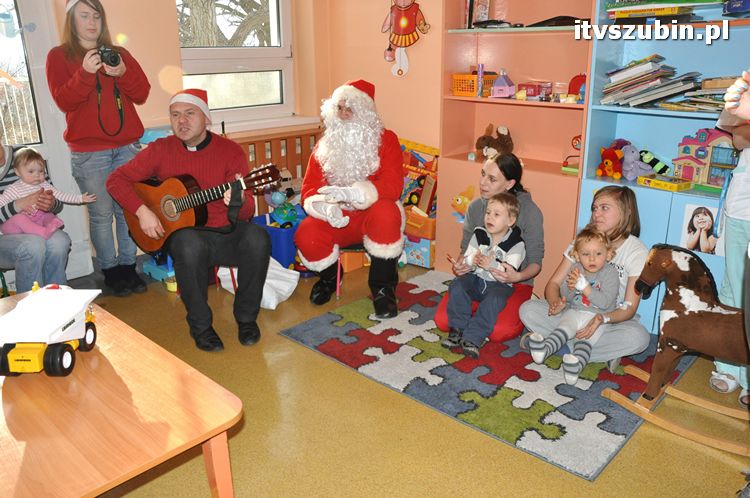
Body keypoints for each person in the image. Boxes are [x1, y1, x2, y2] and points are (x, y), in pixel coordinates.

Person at [106, 89, 271, 352]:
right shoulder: (161, 149)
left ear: (206, 118)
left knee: (258, 238)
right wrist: (142, 211)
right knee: (187, 243)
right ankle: (201, 326)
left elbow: (246, 213)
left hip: (225, 231)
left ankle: (246, 318)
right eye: (175, 115)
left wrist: (238, 200)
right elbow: (116, 180)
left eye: (190, 113)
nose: (181, 121)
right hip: (186, 236)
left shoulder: (230, 151)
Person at [46, 0, 150, 297]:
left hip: (127, 147)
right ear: (72, 20)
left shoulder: (119, 54)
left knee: (127, 210)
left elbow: (141, 93)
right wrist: (85, 72)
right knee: (102, 214)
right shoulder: (59, 56)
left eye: (96, 16)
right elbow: (64, 101)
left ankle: (129, 266)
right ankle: (111, 271)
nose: (92, 22)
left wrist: (122, 73)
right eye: (84, 16)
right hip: (90, 153)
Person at [294, 79, 404, 319]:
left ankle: (383, 288)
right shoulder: (325, 145)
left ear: (364, 112)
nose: (343, 114)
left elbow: (393, 185)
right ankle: (330, 277)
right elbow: (309, 188)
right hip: (336, 217)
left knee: (388, 214)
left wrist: (356, 193)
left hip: (371, 215)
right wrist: (325, 208)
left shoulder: (386, 140)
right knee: (306, 234)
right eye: (339, 108)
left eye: (350, 109)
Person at [520, 185, 651, 371]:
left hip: (610, 319)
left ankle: (557, 345)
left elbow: (628, 309)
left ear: (626, 211)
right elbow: (554, 284)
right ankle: (586, 352)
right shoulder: (582, 241)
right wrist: (556, 303)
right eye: (594, 208)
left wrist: (602, 319)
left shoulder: (636, 251)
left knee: (639, 338)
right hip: (573, 312)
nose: (597, 213)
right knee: (528, 309)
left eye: (604, 208)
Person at [434, 153, 544, 341]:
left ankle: (493, 311)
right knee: (444, 322)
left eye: (492, 179)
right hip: (476, 278)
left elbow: (535, 263)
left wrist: (516, 276)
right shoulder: (475, 207)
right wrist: (462, 266)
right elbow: (465, 250)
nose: (483, 182)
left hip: (511, 284)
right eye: (483, 174)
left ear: (509, 184)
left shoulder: (530, 212)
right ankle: (476, 313)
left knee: (498, 332)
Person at [528, 227, 619, 385]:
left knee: (584, 341)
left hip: (597, 318)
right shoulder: (576, 269)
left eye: (598, 254)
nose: (592, 259)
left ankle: (575, 366)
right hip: (575, 311)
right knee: (563, 328)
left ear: (608, 254)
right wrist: (568, 292)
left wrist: (586, 288)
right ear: (577, 255)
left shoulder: (610, 272)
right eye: (586, 254)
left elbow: (605, 303)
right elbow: (568, 297)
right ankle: (544, 350)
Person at [442, 192, 525, 358]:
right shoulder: (479, 234)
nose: (490, 217)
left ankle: (473, 338)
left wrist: (491, 265)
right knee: (457, 284)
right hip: (476, 278)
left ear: (510, 220)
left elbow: (508, 273)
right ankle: (457, 329)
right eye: (488, 213)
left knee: (495, 299)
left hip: (499, 285)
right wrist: (467, 263)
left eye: (496, 214)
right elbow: (468, 258)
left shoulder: (517, 244)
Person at [710, 69, 750, 408]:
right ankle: (728, 366)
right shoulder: (744, 91)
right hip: (740, 212)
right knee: (733, 287)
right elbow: (738, 137)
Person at [0, 141, 71, 292]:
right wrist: (17, 205)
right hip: (5, 234)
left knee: (59, 242)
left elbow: (56, 200)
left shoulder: (25, 155)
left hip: (36, 223)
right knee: (32, 245)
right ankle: (31, 301)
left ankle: (57, 297)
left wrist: (50, 204)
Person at [0, 147, 96, 239]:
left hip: (35, 221)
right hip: (14, 226)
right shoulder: (13, 189)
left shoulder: (44, 185)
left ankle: (52, 224)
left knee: (47, 215)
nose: (37, 175)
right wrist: (17, 206)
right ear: (17, 172)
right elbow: (1, 202)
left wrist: (80, 198)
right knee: (19, 218)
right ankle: (43, 232)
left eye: (41, 171)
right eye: (31, 171)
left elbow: (60, 195)